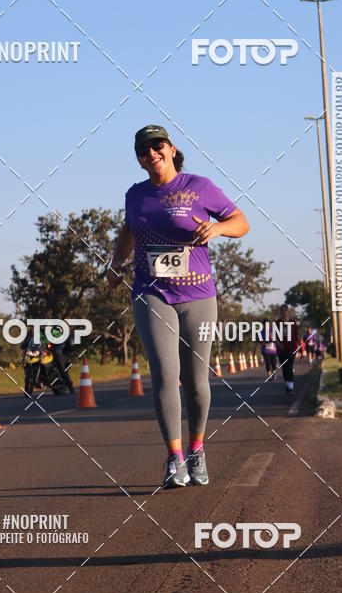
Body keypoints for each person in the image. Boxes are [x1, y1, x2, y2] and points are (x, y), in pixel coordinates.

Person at [106, 125, 249, 489]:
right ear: (139, 160)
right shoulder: (135, 195)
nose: (151, 154)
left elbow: (241, 222)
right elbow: (128, 230)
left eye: (158, 146)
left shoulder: (199, 187)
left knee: (196, 380)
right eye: (143, 151)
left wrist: (216, 230)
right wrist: (115, 264)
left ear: (171, 149)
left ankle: (196, 449)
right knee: (165, 375)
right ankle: (174, 458)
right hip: (151, 293)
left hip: (198, 295)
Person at [274, 304, 300, 395]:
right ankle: (287, 383)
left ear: (288, 312)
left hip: (291, 348)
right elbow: (274, 337)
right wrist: (278, 344)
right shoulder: (277, 323)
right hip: (281, 350)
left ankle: (291, 387)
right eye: (282, 311)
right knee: (285, 368)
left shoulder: (293, 323)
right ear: (280, 312)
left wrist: (299, 346)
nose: (284, 313)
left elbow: (296, 336)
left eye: (285, 311)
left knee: (289, 366)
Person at [50, 326, 75, 394]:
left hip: (61, 356)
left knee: (62, 371)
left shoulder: (64, 338)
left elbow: (64, 347)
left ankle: (71, 388)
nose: (54, 332)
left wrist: (62, 353)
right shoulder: (53, 338)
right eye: (53, 331)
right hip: (53, 356)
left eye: (55, 331)